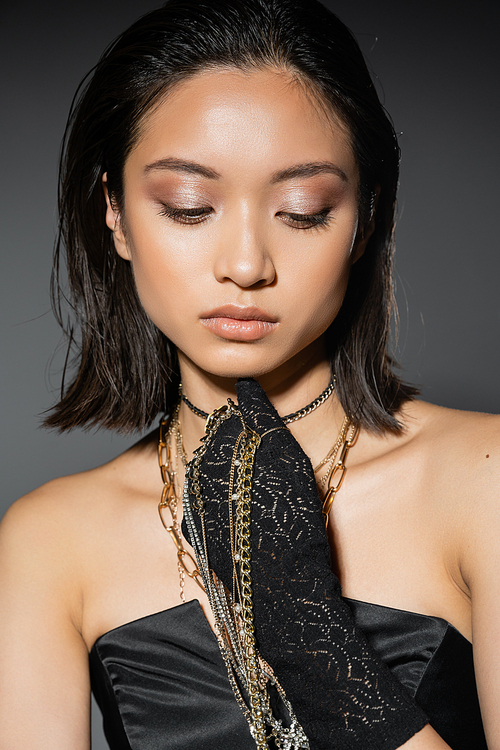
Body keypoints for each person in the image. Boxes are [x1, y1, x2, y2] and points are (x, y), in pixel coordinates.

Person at [0, 0, 498, 748]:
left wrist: (314, 643)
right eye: (189, 206)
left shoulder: (481, 482)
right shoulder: (50, 539)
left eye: (302, 211)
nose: (244, 265)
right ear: (115, 213)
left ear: (362, 221)